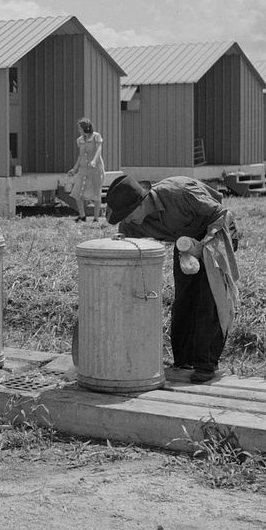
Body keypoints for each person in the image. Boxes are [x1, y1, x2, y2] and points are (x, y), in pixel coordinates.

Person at [105, 174, 240, 384]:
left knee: (208, 297)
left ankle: (206, 365)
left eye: (128, 214)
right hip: (185, 243)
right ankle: (183, 361)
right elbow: (125, 251)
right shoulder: (131, 225)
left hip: (215, 230)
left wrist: (204, 247)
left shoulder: (178, 193)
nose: (127, 220)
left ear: (141, 203)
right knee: (184, 299)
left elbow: (221, 214)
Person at [67, 117, 105, 222]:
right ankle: (82, 216)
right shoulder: (80, 140)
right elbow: (80, 156)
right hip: (83, 169)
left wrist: (93, 161)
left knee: (96, 193)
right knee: (78, 191)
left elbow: (99, 150)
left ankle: (96, 219)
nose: (79, 130)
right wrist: (74, 169)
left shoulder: (96, 137)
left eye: (80, 128)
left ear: (85, 128)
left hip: (96, 169)